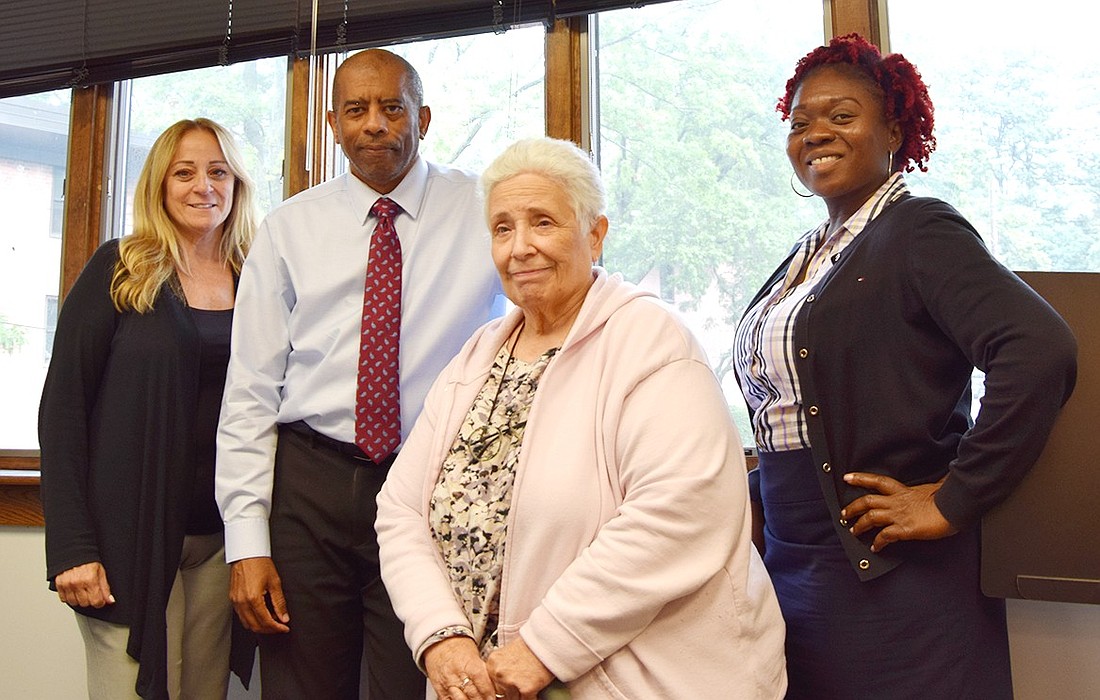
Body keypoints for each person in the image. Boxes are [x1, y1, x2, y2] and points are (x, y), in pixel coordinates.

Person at [376, 137, 788, 700]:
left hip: (636, 680)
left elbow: (678, 511)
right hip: (482, 682)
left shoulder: (651, 340)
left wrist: (544, 646)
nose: (519, 247)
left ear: (595, 234)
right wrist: (439, 637)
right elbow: (401, 510)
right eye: (502, 228)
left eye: (542, 222)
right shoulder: (479, 354)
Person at [732, 33, 1077, 699]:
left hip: (893, 579)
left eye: (840, 116)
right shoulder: (810, 253)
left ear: (892, 126)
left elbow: (1037, 349)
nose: (814, 135)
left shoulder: (917, 230)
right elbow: (796, 414)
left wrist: (955, 498)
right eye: (800, 122)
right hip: (793, 568)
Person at [215, 48, 503, 699]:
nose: (375, 123)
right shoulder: (290, 229)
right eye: (356, 109)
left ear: (422, 118)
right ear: (333, 124)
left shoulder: (485, 210)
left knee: (417, 683)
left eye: (392, 107)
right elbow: (251, 393)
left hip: (430, 484)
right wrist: (246, 539)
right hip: (309, 487)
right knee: (302, 687)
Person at [40, 118, 259, 699]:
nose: (202, 186)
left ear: (237, 183)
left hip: (223, 543)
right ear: (159, 185)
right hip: (126, 542)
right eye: (183, 172)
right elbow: (63, 412)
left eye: (218, 171)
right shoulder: (120, 267)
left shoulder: (258, 278)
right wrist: (71, 548)